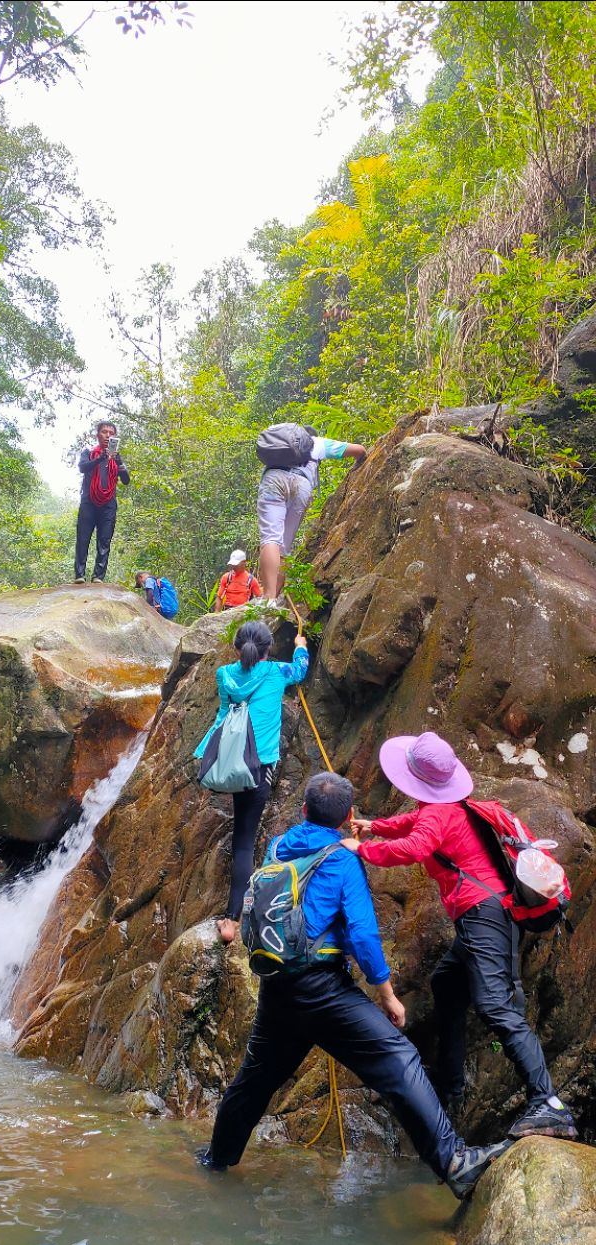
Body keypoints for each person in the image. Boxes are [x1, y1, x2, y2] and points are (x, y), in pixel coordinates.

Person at [197, 772, 509, 1199]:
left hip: (278, 987)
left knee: (254, 1081)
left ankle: (216, 1161)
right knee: (400, 1059)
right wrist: (387, 995)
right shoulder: (342, 860)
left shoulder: (279, 846)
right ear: (346, 817)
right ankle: (454, 1161)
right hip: (322, 990)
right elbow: (362, 934)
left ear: (303, 809)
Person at [342, 732, 578, 1142]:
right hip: (482, 913)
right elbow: (411, 825)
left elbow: (415, 846)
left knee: (494, 1006)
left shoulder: (438, 814)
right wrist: (373, 826)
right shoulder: (446, 806)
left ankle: (548, 1102)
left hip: (483, 912)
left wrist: (362, 849)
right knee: (447, 983)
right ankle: (450, 1083)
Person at [194, 620, 308, 944]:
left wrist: (206, 752)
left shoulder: (224, 675)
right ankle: (232, 920)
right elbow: (300, 670)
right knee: (245, 840)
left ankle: (231, 914)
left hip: (233, 762)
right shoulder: (275, 672)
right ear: (267, 648)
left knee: (240, 834)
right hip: (259, 768)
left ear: (237, 648)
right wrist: (300, 646)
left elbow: (222, 716)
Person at [257, 426, 366, 600]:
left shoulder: (281, 444)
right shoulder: (319, 443)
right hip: (302, 485)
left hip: (274, 480)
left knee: (271, 538)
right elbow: (359, 450)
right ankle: (275, 598)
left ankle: (268, 597)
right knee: (284, 546)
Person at [74, 421, 129, 584]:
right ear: (98, 435)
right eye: (104, 432)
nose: (108, 435)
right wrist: (100, 458)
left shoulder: (116, 458)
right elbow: (82, 467)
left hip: (108, 504)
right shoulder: (89, 453)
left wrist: (118, 462)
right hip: (89, 502)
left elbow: (126, 480)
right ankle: (79, 575)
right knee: (83, 539)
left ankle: (98, 576)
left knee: (104, 540)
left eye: (111, 433)